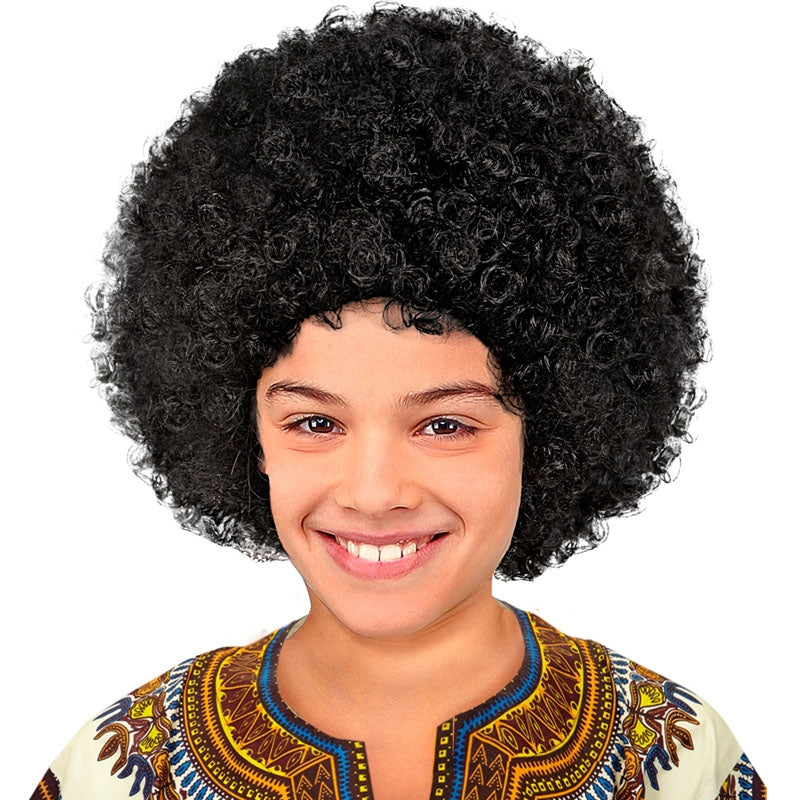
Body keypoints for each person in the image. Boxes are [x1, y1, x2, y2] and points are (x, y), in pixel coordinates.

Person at [31, 5, 766, 799]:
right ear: (246, 436)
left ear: (553, 432)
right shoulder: (124, 768)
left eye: (443, 424)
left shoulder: (673, 761)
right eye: (316, 422)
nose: (375, 492)